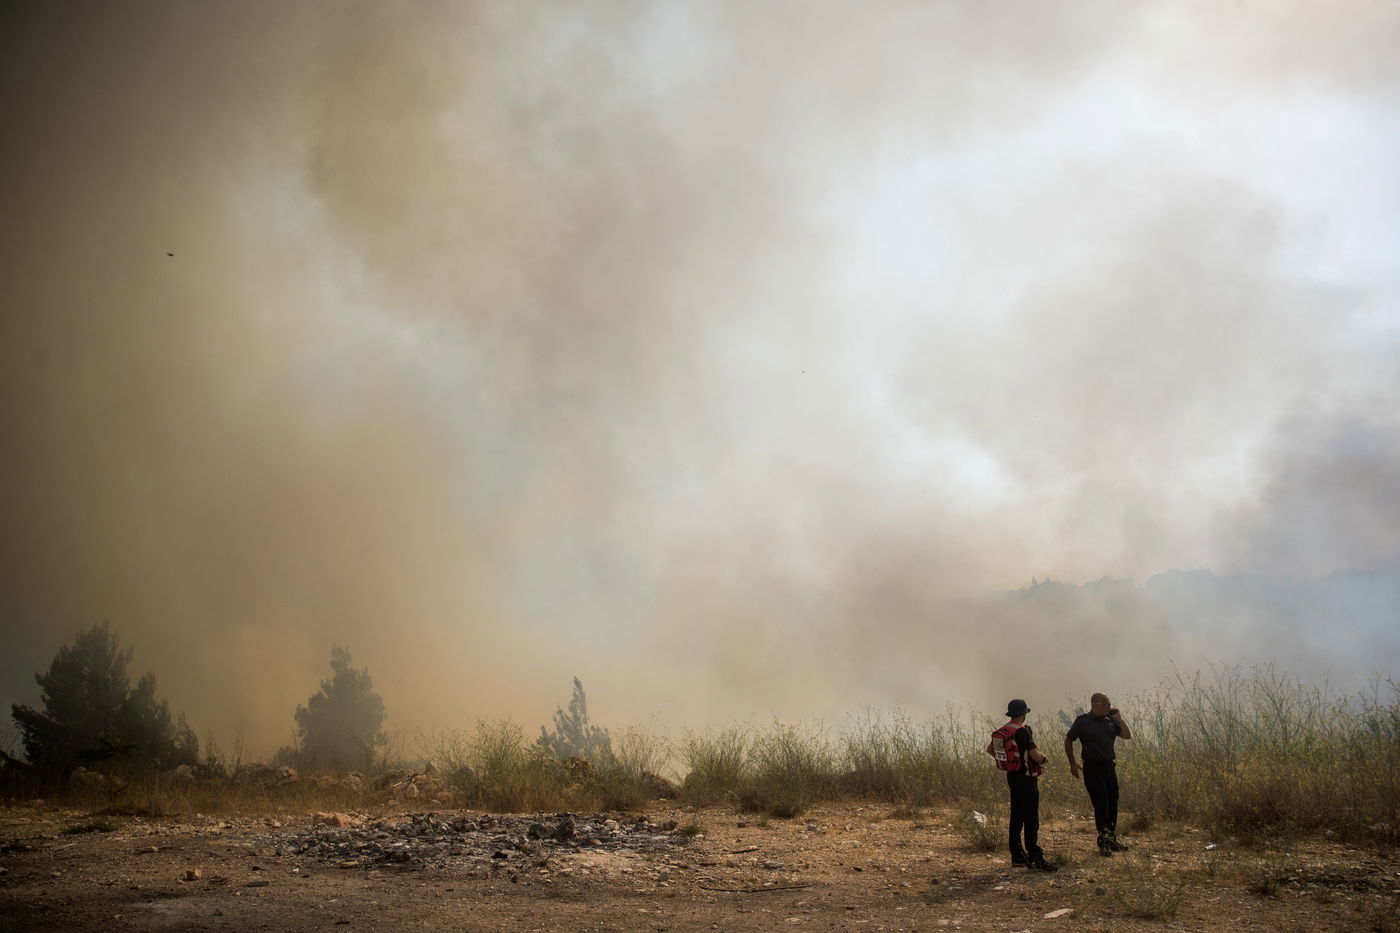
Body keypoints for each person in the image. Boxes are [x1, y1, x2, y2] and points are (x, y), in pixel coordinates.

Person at [987, 698, 1057, 871]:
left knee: (1016, 816)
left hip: (1013, 776)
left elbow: (990, 750)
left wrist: (1010, 761)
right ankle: (1035, 857)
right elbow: (1034, 755)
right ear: (1024, 714)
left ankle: (1017, 855)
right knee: (1031, 819)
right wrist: (1044, 759)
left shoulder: (1003, 731)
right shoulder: (1023, 732)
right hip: (1027, 778)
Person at [1064, 692, 1132, 856]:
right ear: (1095, 705)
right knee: (1101, 805)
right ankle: (1103, 842)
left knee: (1113, 803)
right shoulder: (1083, 722)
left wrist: (1119, 718)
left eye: (1109, 704)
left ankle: (1111, 839)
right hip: (1092, 768)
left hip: (1109, 767)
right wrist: (1072, 763)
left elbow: (1127, 736)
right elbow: (1068, 740)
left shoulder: (1111, 721)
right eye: (1106, 704)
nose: (1109, 707)